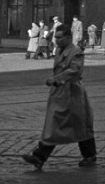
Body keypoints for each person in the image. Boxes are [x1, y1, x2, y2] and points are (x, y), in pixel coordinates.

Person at [21, 24, 97, 170]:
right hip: (60, 93)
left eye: (59, 37)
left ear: (68, 37)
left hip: (72, 93)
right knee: (56, 125)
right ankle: (39, 157)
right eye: (55, 37)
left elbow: (75, 71)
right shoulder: (60, 50)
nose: (56, 40)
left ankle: (89, 155)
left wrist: (57, 78)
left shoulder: (76, 52)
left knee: (78, 125)